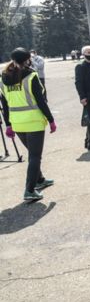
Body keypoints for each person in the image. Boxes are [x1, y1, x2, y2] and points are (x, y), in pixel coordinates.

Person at [1, 48, 57, 201]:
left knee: (32, 154)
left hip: (17, 123)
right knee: (34, 156)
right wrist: (51, 120)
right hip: (33, 122)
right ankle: (29, 190)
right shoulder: (31, 76)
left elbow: (4, 104)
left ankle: (39, 180)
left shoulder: (3, 78)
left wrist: (8, 125)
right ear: (27, 59)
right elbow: (41, 101)